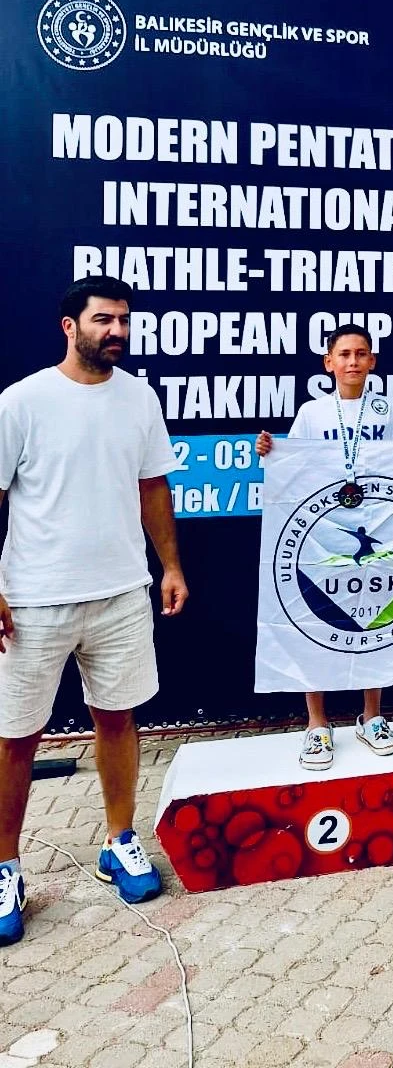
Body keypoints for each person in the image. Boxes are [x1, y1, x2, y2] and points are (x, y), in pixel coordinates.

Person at [0, 276, 188, 947]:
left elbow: (153, 486)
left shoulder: (139, 398)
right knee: (16, 736)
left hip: (121, 593)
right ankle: (5, 867)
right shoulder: (22, 402)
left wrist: (169, 566)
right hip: (33, 599)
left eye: (124, 321)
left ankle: (119, 840)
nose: (117, 331)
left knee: (117, 717)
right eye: (103, 319)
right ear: (69, 326)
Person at [256, 325, 393, 768]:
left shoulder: (387, 409)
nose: (353, 361)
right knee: (312, 622)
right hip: (323, 531)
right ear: (328, 363)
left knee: (375, 618)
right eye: (344, 354)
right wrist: (270, 450)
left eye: (361, 354)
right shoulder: (312, 412)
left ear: (372, 361)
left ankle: (372, 716)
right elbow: (294, 466)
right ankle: (317, 724)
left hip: (377, 524)